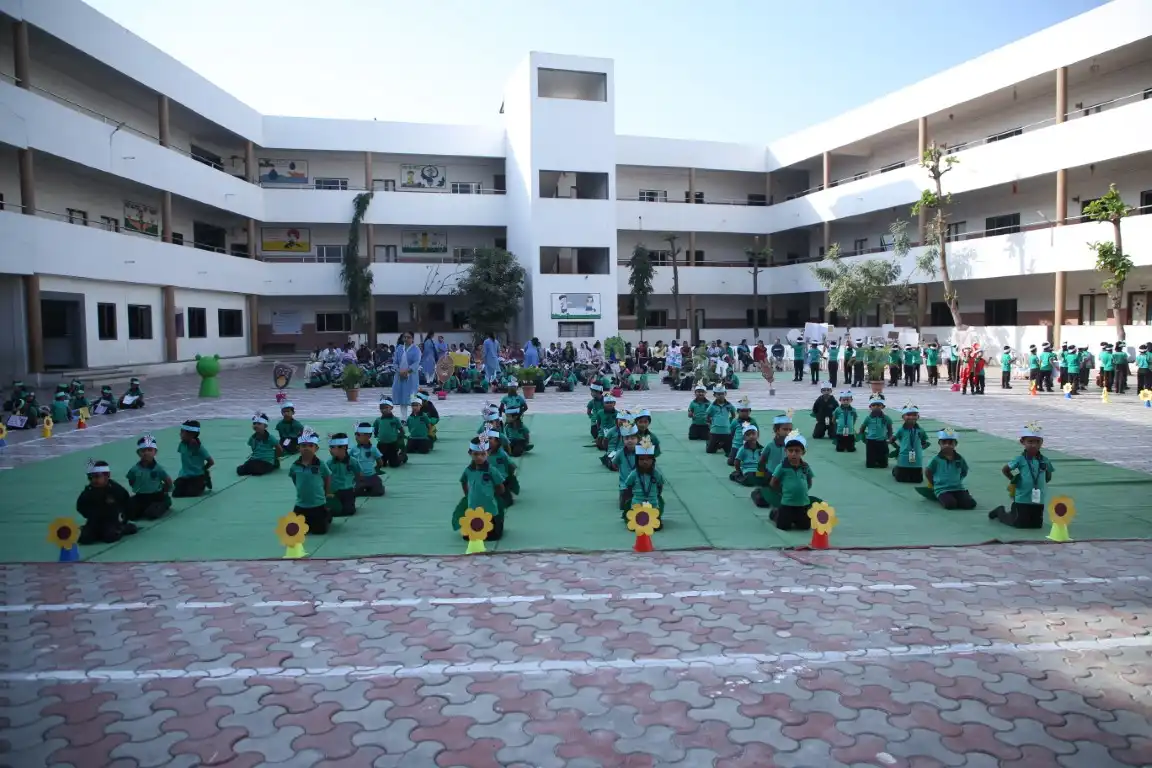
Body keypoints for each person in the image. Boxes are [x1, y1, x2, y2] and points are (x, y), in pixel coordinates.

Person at [988, 422, 1054, 529]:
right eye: (1030, 441)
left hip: (1038, 499)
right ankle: (1000, 511)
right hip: (1022, 498)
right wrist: (1014, 480)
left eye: (1037, 442)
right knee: (1019, 524)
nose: (1034, 445)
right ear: (1022, 442)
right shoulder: (1020, 459)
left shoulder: (1045, 460)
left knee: (1036, 525)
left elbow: (1048, 476)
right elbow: (1005, 470)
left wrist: (1039, 483)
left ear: (1042, 442)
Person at [453, 438, 508, 540]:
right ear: (470, 453)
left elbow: (501, 488)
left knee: (493, 535)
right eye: (476, 454)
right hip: (473, 508)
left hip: (490, 508)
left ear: (488, 453)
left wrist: (493, 494)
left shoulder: (492, 470)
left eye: (483, 454)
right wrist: (468, 494)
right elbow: (463, 481)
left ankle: (498, 524)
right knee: (468, 536)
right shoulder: (468, 470)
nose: (479, 457)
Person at [76, 460, 139, 545]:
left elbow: (127, 503)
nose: (93, 480)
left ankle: (124, 528)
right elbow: (80, 506)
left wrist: (123, 519)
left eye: (97, 477)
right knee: (84, 539)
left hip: (112, 521)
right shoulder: (89, 491)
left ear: (107, 476)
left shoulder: (115, 489)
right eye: (90, 477)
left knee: (110, 536)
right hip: (94, 521)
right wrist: (91, 515)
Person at [289, 428, 333, 534]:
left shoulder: (321, 464)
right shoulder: (295, 466)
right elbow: (294, 479)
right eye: (303, 446)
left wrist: (327, 492)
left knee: (319, 531)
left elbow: (327, 477)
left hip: (318, 503)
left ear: (316, 448)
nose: (307, 448)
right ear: (298, 448)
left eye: (310, 445)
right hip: (301, 504)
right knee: (296, 531)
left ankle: (327, 514)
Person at [769, 431, 814, 531]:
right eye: (790, 451)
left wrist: (804, 490)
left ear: (803, 452)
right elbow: (773, 482)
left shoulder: (805, 466)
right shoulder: (782, 467)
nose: (793, 454)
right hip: (787, 503)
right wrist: (782, 491)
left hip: (803, 503)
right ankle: (776, 513)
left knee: (805, 526)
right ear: (786, 451)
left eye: (797, 451)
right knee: (783, 526)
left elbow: (809, 480)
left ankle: (795, 519)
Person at [925, 428, 977, 510]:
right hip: (942, 489)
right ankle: (938, 495)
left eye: (950, 443)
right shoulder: (936, 459)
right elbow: (928, 471)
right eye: (944, 442)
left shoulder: (959, 459)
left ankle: (963, 495)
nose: (947, 445)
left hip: (958, 488)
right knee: (950, 504)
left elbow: (964, 470)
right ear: (939, 443)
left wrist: (958, 480)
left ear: (955, 443)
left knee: (970, 504)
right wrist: (933, 483)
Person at [125, 434, 172, 521]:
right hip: (140, 496)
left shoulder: (158, 468)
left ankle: (165, 502)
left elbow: (168, 481)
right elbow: (131, 480)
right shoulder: (134, 469)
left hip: (156, 497)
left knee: (152, 513)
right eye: (143, 450)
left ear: (155, 452)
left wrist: (165, 491)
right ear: (138, 453)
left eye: (150, 450)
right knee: (129, 513)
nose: (146, 453)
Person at [623, 437, 664, 519]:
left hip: (653, 504)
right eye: (641, 459)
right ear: (637, 460)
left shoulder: (656, 474)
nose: (645, 462)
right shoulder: (634, 474)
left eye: (648, 459)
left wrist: (656, 495)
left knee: (656, 523)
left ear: (653, 460)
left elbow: (660, 485)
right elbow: (628, 486)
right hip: (637, 504)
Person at [890, 404, 929, 483]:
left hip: (917, 457)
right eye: (908, 415)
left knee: (917, 480)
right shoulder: (901, 430)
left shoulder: (921, 430)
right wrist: (898, 448)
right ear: (903, 417)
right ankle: (896, 470)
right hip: (903, 456)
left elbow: (924, 442)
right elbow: (892, 440)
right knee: (901, 479)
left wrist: (919, 449)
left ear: (918, 416)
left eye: (914, 415)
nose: (911, 417)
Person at [173, 420, 213, 497]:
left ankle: (205, 479)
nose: (180, 434)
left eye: (182, 432)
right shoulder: (182, 445)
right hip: (185, 475)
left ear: (191, 434)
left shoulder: (199, 448)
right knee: (176, 494)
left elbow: (211, 462)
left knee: (192, 494)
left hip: (197, 476)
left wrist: (203, 469)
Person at [326, 432, 359, 517]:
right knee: (332, 511)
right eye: (330, 447)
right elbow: (325, 478)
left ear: (344, 447)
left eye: (333, 447)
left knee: (349, 511)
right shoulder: (329, 462)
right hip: (334, 491)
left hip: (348, 490)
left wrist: (354, 485)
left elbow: (359, 474)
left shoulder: (352, 461)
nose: (330, 450)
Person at [611, 422, 640, 510]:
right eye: (627, 438)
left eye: (633, 438)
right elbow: (614, 463)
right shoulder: (620, 452)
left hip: (639, 482)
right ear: (623, 439)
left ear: (638, 439)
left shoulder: (642, 452)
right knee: (624, 506)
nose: (630, 440)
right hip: (625, 484)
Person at [391, 333, 422, 418]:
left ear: (412, 339)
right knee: (402, 398)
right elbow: (395, 362)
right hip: (399, 376)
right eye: (405, 337)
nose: (406, 339)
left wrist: (407, 371)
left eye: (408, 337)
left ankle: (414, 416)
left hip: (411, 376)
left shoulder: (416, 350)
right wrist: (400, 371)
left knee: (412, 397)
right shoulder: (399, 348)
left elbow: (416, 362)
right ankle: (404, 418)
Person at [351, 423, 386, 496]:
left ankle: (375, 486)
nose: (356, 437)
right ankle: (365, 488)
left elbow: (380, 462)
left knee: (379, 492)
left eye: (358, 435)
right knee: (354, 492)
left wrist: (376, 469)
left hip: (371, 475)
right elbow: (348, 460)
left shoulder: (373, 449)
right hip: (359, 476)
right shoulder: (353, 449)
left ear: (368, 436)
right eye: (355, 434)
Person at [858, 396, 893, 469]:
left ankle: (881, 461)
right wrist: (862, 436)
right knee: (870, 464)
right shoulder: (868, 418)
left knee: (883, 464)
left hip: (882, 440)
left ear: (883, 406)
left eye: (878, 405)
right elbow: (862, 428)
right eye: (873, 405)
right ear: (870, 407)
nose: (876, 407)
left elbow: (889, 428)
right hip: (871, 441)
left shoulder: (886, 418)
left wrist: (890, 437)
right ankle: (872, 461)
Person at [373, 397, 408, 467]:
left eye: (386, 407)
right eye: (381, 408)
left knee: (394, 464)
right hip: (382, 445)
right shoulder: (378, 420)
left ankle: (403, 456)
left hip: (393, 444)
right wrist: (377, 435)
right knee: (382, 464)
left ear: (391, 407)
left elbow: (402, 431)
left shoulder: (395, 419)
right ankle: (386, 458)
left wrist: (399, 439)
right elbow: (375, 429)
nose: (383, 410)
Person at [705, 385, 737, 454]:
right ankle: (713, 443)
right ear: (714, 395)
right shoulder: (712, 405)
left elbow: (734, 414)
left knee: (729, 451)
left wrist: (730, 422)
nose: (721, 396)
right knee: (710, 451)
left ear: (725, 393)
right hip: (715, 431)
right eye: (718, 394)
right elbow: (707, 415)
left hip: (727, 431)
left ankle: (721, 444)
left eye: (722, 393)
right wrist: (710, 423)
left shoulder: (729, 404)